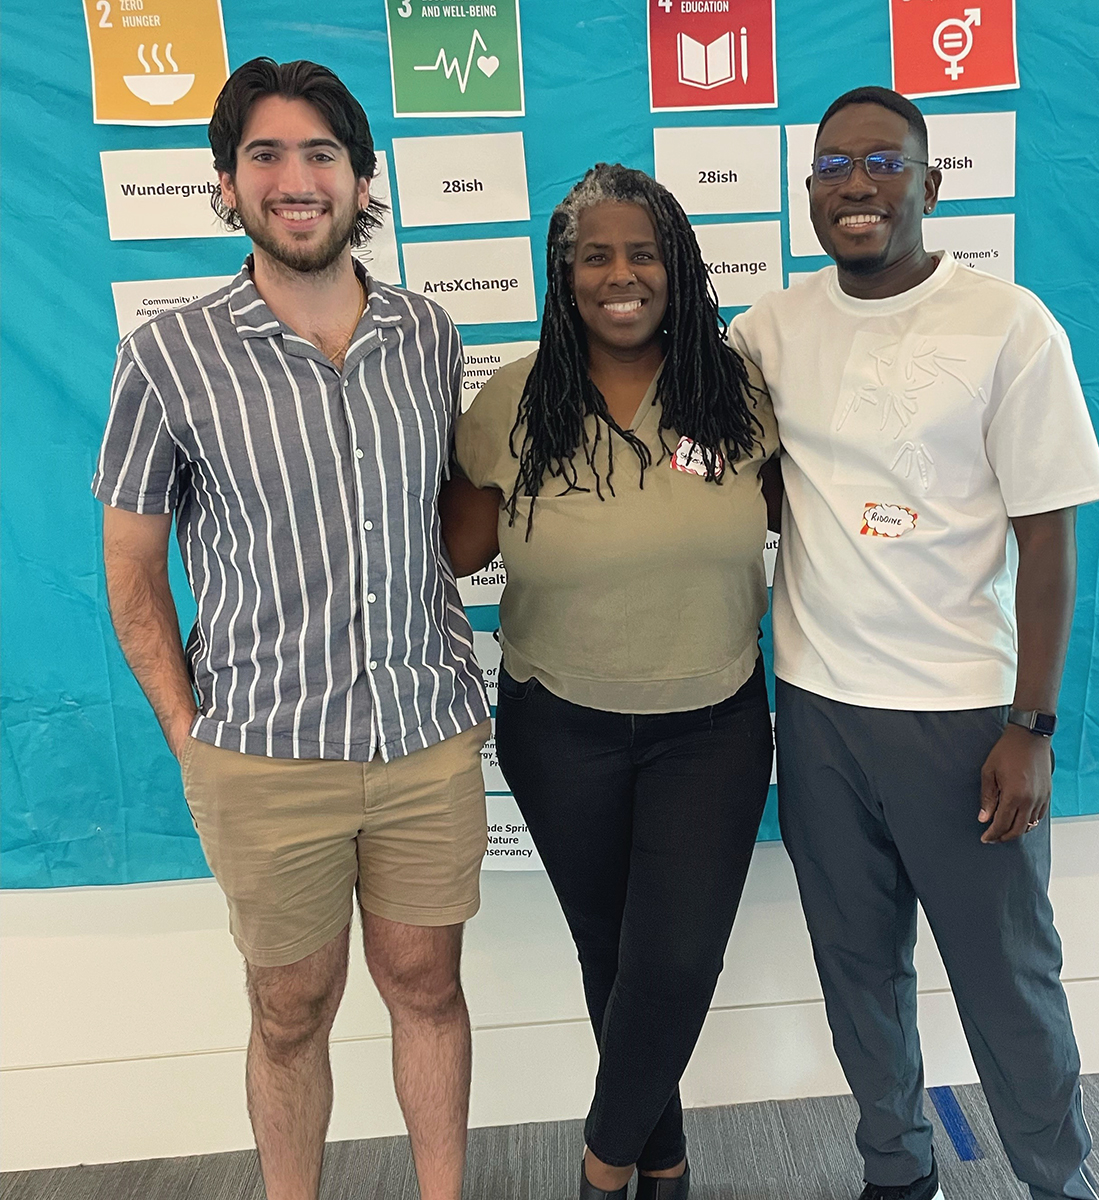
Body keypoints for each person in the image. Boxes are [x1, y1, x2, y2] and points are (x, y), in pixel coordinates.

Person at [93, 58, 490, 1200]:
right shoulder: (167, 355)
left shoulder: (427, 333)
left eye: (322, 153)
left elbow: (451, 522)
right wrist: (190, 737)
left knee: (428, 987)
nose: (296, 177)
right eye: (264, 154)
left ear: (365, 180)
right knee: (289, 1011)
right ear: (227, 185)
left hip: (424, 740)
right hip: (263, 754)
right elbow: (131, 575)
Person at [729, 87, 1099, 1200]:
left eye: (885, 164)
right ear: (808, 192)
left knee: (1008, 981)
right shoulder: (769, 331)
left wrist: (1030, 724)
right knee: (857, 974)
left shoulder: (1009, 325)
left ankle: (1058, 1179)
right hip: (817, 712)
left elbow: (1049, 545)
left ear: (931, 184)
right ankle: (897, 1172)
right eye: (835, 166)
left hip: (962, 721)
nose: (858, 184)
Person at [440, 163, 779, 1200]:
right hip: (561, 729)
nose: (621, 275)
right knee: (613, 955)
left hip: (711, 725)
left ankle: (599, 1169)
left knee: (673, 963)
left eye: (643, 253)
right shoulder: (513, 401)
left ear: (678, 269)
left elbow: (811, 526)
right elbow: (451, 555)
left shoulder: (735, 392)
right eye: (596, 256)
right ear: (564, 274)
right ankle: (663, 1169)